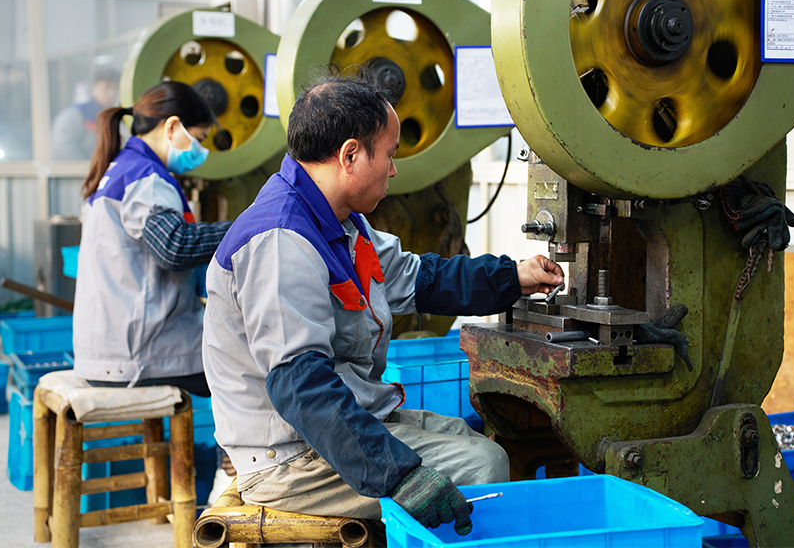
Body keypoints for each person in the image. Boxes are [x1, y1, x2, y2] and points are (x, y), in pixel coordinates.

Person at [202, 68, 564, 536]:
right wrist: (399, 474)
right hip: (291, 456)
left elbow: (420, 279)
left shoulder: (339, 223)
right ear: (350, 155)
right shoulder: (282, 240)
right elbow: (301, 387)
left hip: (336, 425)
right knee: (482, 464)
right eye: (390, 155)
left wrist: (513, 277)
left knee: (467, 436)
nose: (393, 170)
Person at [73, 80, 230, 397]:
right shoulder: (144, 177)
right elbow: (174, 247)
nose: (199, 151)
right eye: (198, 139)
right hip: (143, 355)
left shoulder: (120, 169)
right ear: (172, 126)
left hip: (107, 350)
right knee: (256, 367)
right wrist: (243, 229)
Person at [51, 69, 120, 161]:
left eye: (115, 88)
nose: (111, 93)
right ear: (94, 87)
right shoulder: (75, 114)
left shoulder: (115, 117)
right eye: (107, 87)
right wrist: (87, 165)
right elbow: (62, 145)